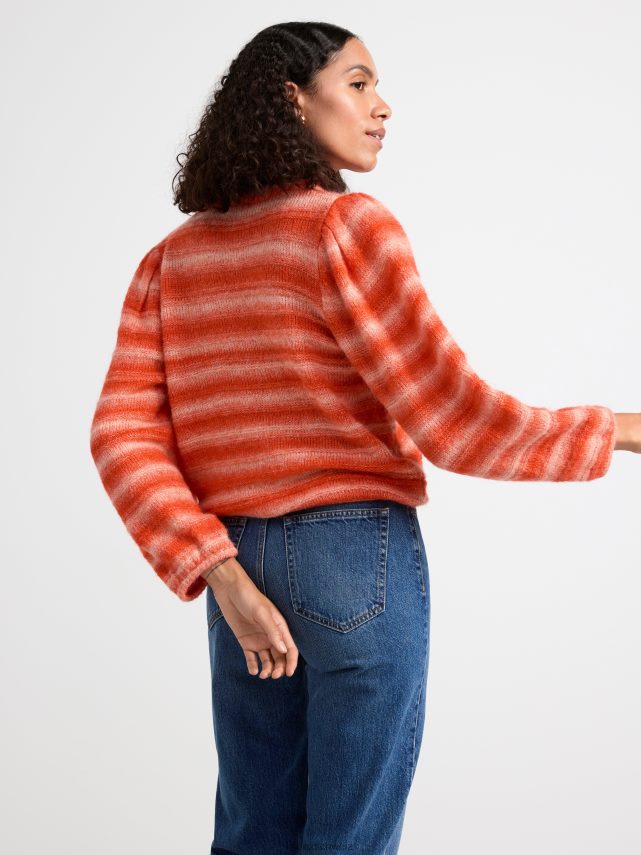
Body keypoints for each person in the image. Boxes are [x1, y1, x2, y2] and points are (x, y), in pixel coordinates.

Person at [89, 20, 641, 855]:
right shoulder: (344, 227)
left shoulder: (169, 263)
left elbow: (120, 435)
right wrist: (618, 429)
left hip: (237, 564)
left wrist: (218, 571)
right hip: (354, 561)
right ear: (293, 100)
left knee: (251, 834)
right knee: (349, 841)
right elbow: (453, 419)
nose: (382, 106)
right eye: (358, 83)